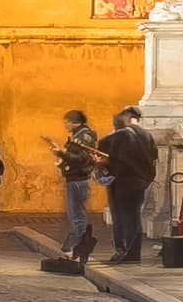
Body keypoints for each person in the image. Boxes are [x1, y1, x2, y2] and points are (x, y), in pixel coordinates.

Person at [101, 106, 158, 264]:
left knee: (121, 218)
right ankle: (133, 252)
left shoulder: (120, 135)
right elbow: (154, 157)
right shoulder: (147, 135)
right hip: (140, 182)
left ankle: (123, 251)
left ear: (127, 116)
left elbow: (107, 152)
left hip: (122, 181)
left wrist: (104, 164)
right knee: (134, 217)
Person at [47, 109, 99, 263]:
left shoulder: (84, 136)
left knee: (77, 214)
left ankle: (78, 245)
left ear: (74, 122)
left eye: (67, 123)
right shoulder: (79, 135)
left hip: (78, 179)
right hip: (75, 178)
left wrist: (61, 153)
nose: (65, 126)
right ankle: (77, 245)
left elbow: (81, 159)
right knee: (75, 213)